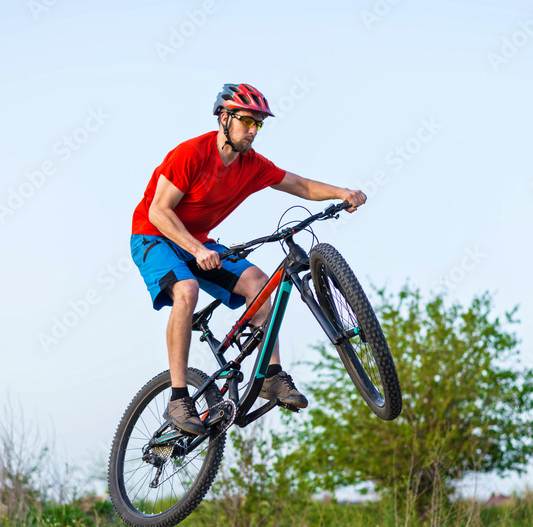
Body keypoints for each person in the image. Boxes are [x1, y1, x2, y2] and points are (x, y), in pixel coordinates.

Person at [131, 83, 367, 436]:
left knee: (258, 283)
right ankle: (178, 398)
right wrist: (197, 250)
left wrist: (341, 193)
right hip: (153, 236)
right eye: (247, 121)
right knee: (187, 289)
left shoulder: (251, 165)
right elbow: (160, 212)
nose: (254, 130)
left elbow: (299, 186)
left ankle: (271, 375)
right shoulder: (191, 155)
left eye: (259, 124)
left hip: (199, 242)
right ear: (224, 118)